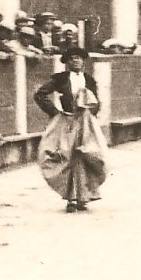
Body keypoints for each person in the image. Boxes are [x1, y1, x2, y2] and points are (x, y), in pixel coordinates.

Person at [34, 47, 105, 212]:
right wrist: (55, 113)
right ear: (67, 62)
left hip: (86, 123)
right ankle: (71, 199)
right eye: (72, 58)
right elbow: (40, 94)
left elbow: (97, 101)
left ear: (83, 60)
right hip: (67, 121)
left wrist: (91, 114)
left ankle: (83, 197)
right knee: (68, 157)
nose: (76, 61)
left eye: (79, 58)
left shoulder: (89, 79)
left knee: (86, 156)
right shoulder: (60, 79)